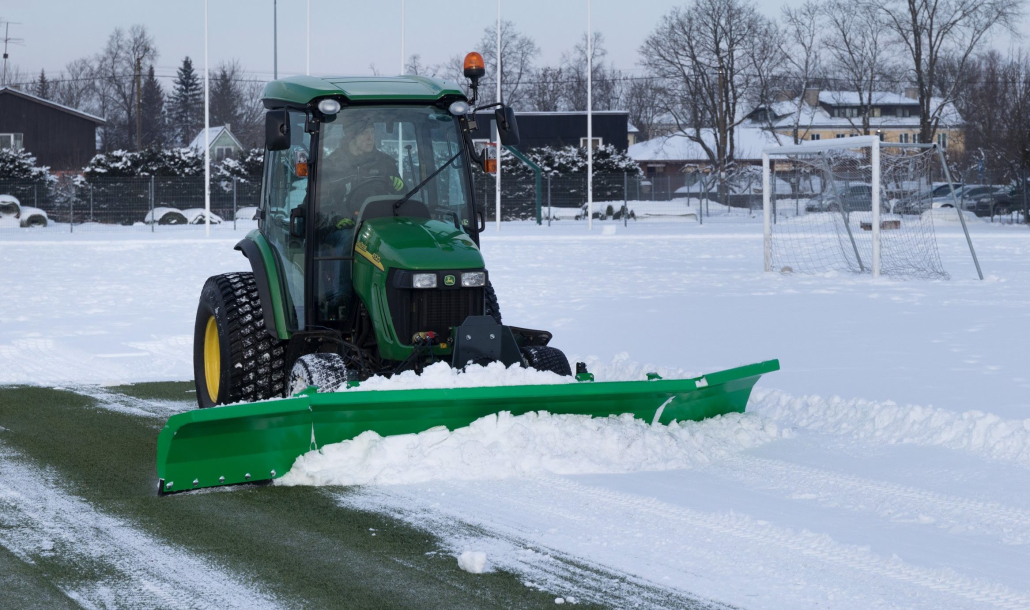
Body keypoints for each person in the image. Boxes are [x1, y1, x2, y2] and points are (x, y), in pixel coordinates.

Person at [319, 114, 405, 232]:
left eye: (372, 132)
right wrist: (336, 219)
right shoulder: (330, 166)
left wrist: (399, 188)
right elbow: (319, 204)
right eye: (364, 133)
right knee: (347, 241)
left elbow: (403, 198)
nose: (370, 138)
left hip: (380, 225)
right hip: (343, 228)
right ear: (351, 136)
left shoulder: (385, 164)